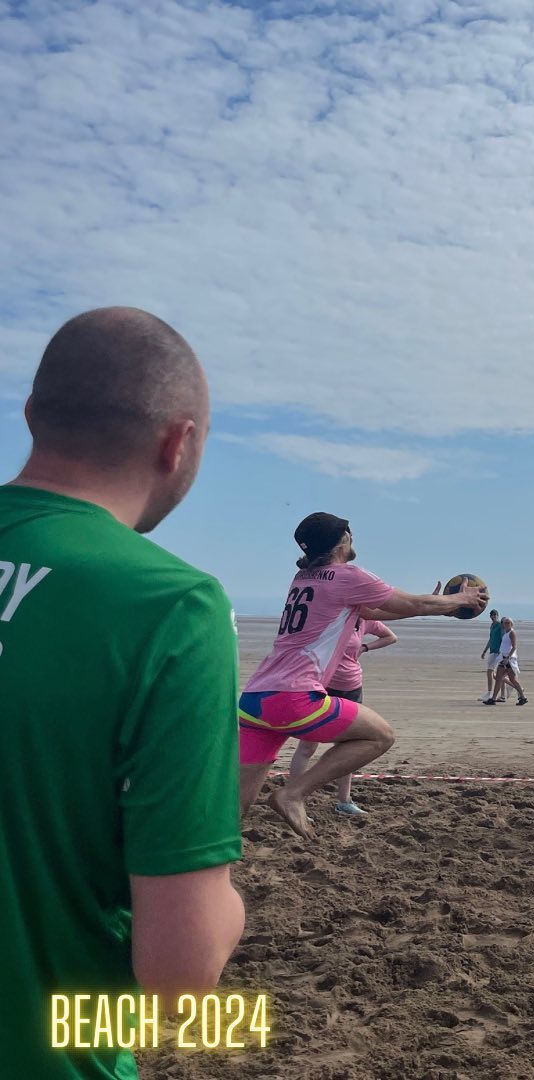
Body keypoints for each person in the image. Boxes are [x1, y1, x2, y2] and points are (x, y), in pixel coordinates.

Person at [0, 308, 246, 1079]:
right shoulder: (169, 606)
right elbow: (179, 982)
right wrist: (227, 908)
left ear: (34, 415)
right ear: (179, 444)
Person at [239, 515, 486, 840]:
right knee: (380, 735)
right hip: (293, 696)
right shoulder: (347, 575)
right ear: (342, 540)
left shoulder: (304, 577)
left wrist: (438, 605)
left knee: (234, 810)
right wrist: (460, 599)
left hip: (255, 700)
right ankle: (293, 794)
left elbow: (373, 610)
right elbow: (409, 602)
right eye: (349, 533)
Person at [289, 617, 398, 815]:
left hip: (352, 687)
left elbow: (391, 637)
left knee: (349, 747)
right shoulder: (332, 618)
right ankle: (293, 800)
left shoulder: (366, 619)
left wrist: (365, 647)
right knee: (307, 746)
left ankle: (344, 801)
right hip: (323, 686)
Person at [483, 616, 528, 705]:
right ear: (503, 625)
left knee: (512, 680)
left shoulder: (512, 633)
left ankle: (523, 697)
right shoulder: (506, 633)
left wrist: (508, 658)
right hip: (503, 659)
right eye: (505, 623)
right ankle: (493, 699)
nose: (506, 624)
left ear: (511, 624)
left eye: (508, 623)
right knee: (499, 679)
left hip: (508, 661)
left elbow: (514, 647)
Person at [480, 608, 507, 701]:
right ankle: (503, 694)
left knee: (490, 672)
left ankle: (490, 693)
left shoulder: (500, 626)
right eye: (492, 615)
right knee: (498, 675)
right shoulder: (492, 626)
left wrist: (504, 652)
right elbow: (490, 640)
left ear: (497, 616)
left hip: (498, 652)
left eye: (495, 615)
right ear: (490, 616)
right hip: (492, 651)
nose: (494, 617)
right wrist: (484, 651)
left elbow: (504, 638)